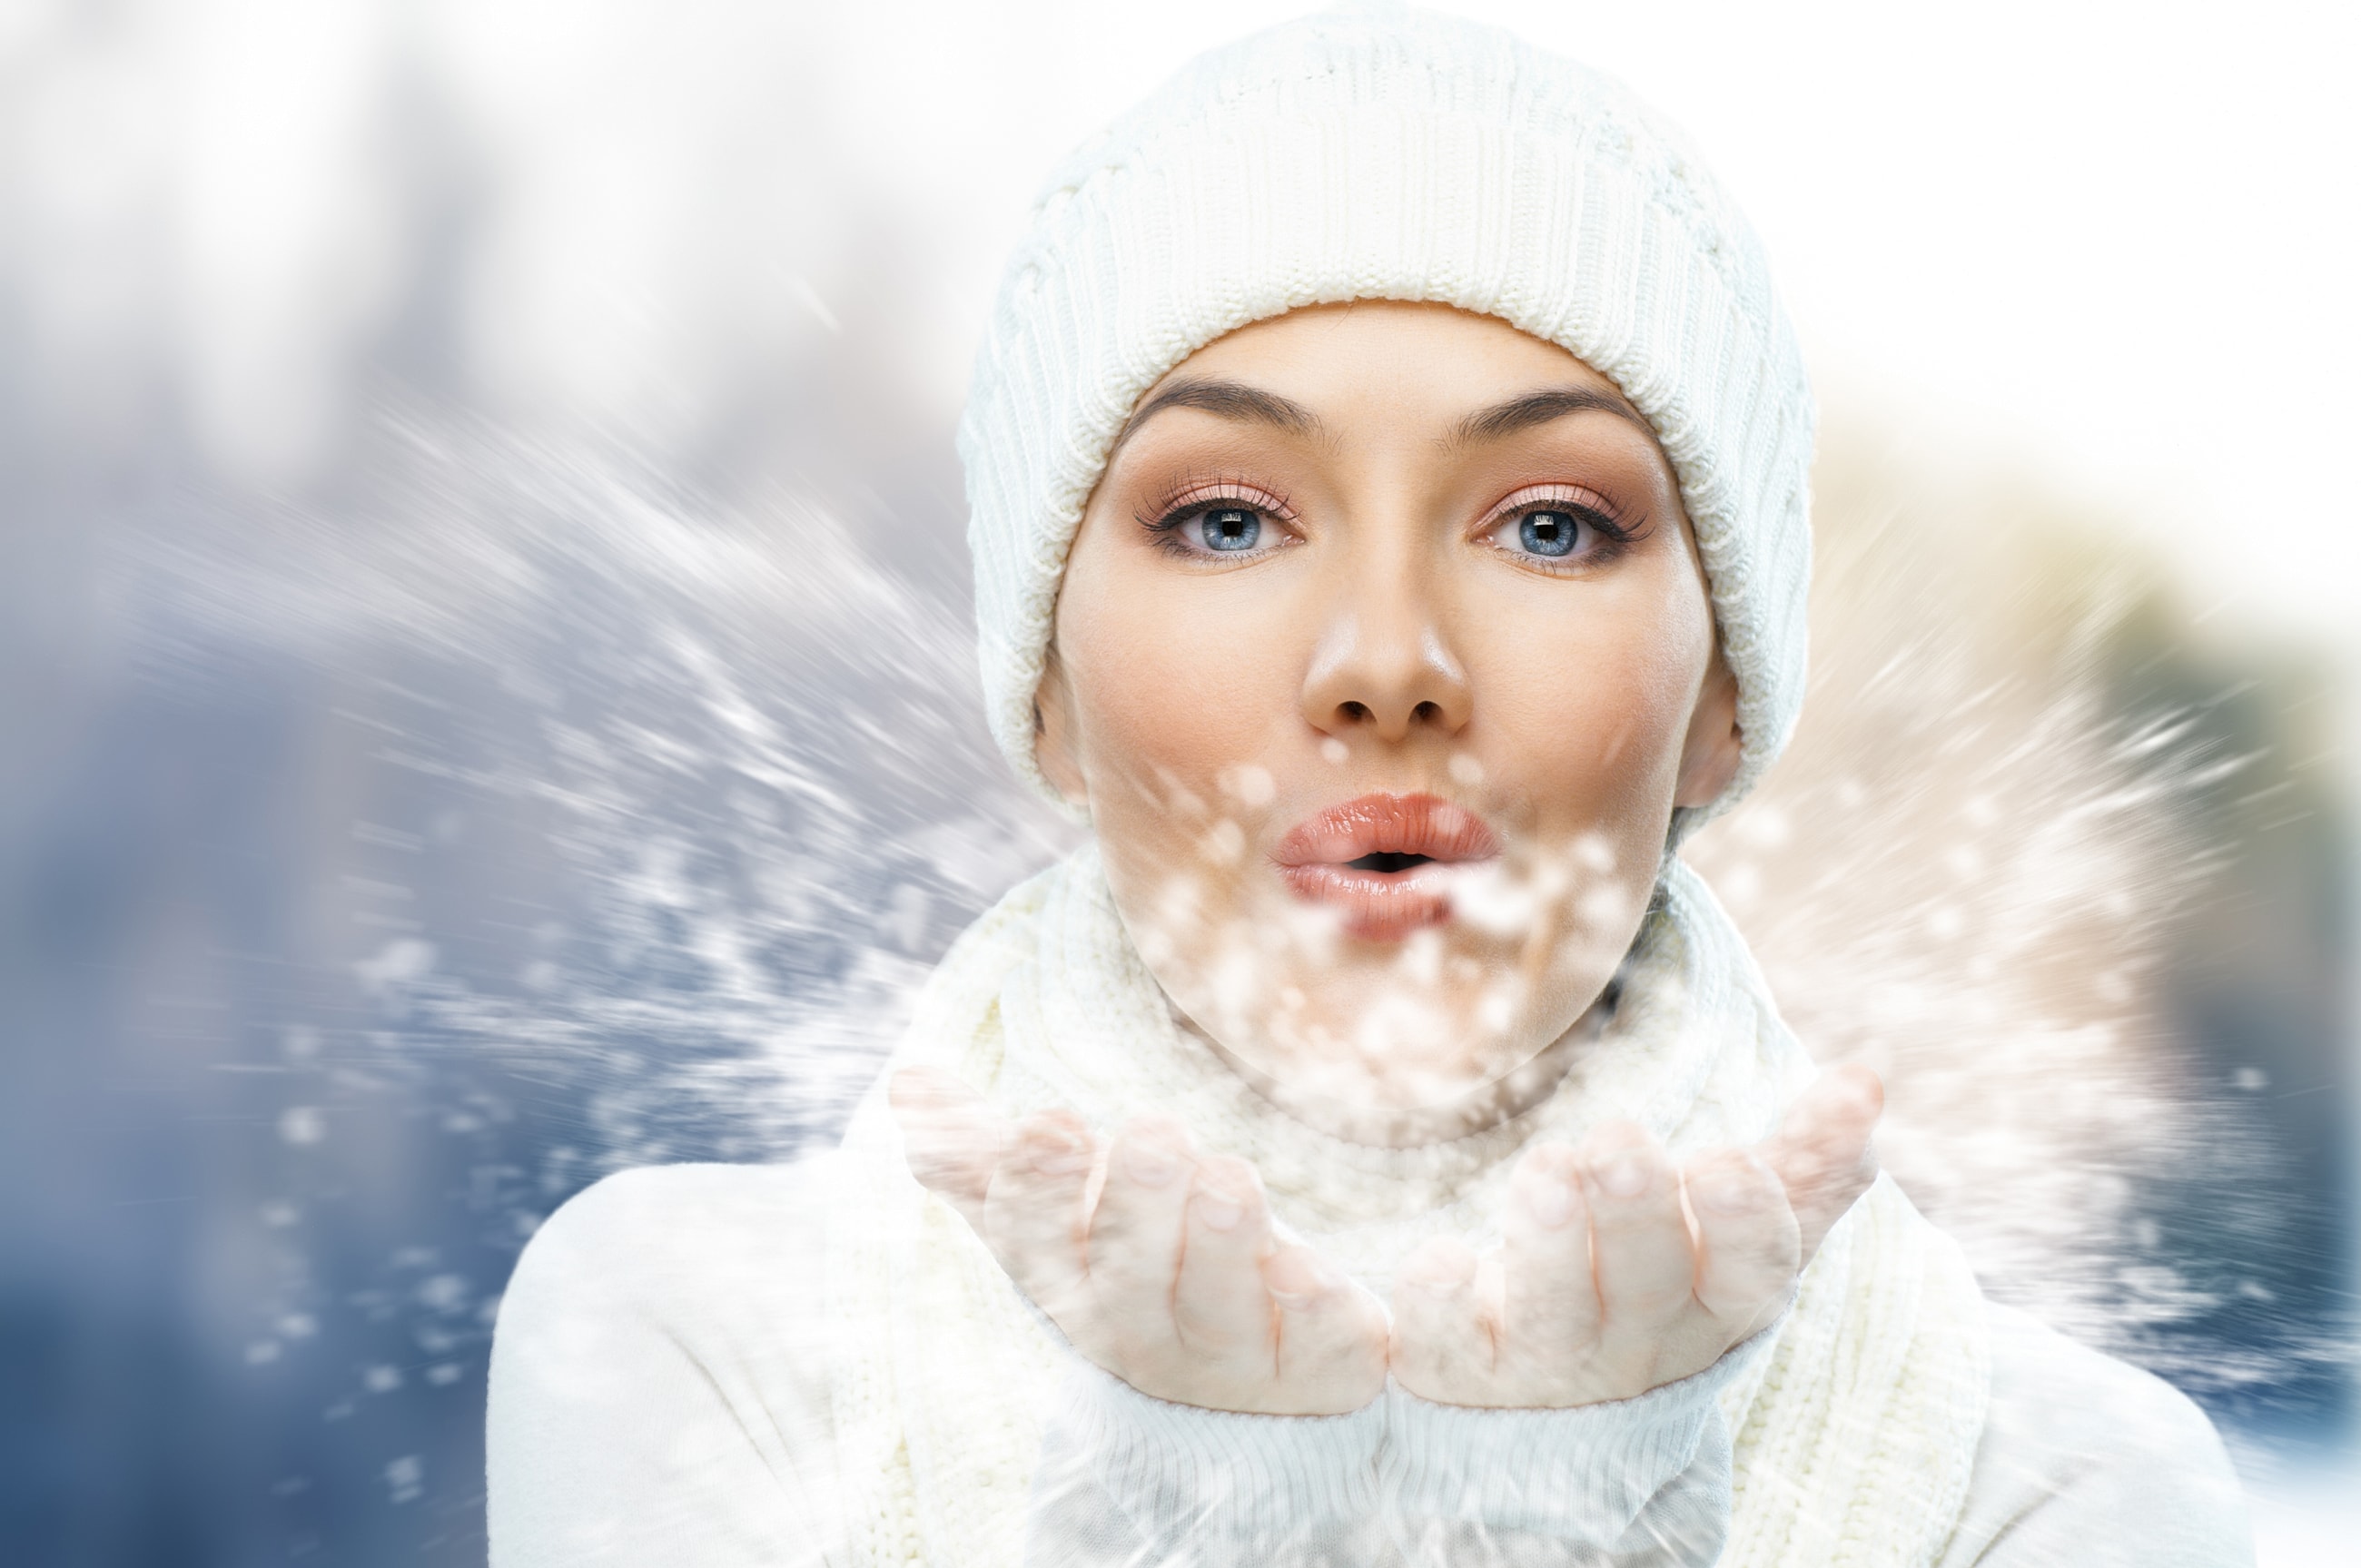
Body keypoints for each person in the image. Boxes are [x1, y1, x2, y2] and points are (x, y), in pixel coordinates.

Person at [485, 10, 2253, 1565]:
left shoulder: (2055, 1495)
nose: (1386, 660)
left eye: (1550, 526)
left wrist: (1553, 1514)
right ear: (1045, 692)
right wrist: (1204, 1517)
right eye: (1227, 520)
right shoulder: (688, 1340)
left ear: (1725, 701)